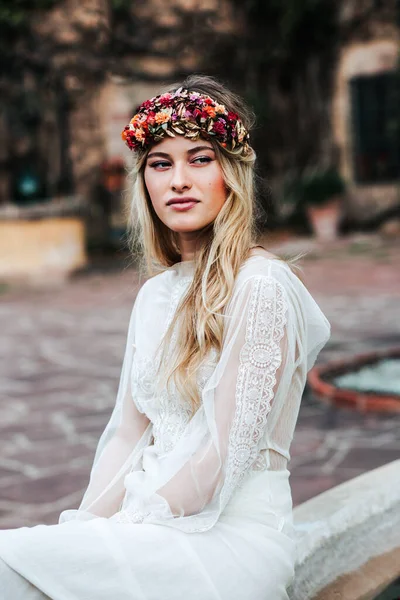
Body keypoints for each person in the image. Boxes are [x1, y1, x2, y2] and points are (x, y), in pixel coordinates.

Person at [0, 74, 330, 600]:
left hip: (230, 539)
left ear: (232, 174)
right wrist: (85, 526)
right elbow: (129, 436)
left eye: (200, 158)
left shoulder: (261, 286)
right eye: (161, 163)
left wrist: (127, 525)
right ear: (145, 181)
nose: (179, 180)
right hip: (153, 525)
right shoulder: (155, 296)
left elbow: (218, 462)